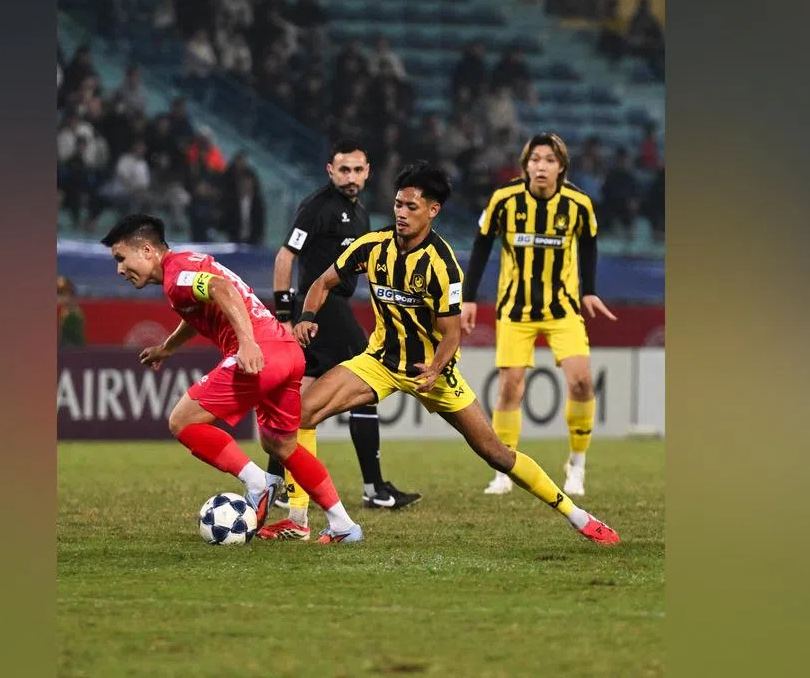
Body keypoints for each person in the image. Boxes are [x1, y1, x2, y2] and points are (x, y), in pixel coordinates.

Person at [288, 162, 619, 546]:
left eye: (412, 206)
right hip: (379, 361)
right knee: (301, 414)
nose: (400, 212)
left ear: (433, 210)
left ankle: (577, 516)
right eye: (398, 204)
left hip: (434, 374)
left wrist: (434, 369)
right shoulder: (372, 246)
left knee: (496, 453)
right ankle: (312, 519)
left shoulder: (443, 265)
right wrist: (307, 316)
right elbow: (323, 281)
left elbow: (450, 335)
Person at [100, 214, 363, 543]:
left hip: (260, 353)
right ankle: (343, 525)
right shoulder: (183, 267)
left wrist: (247, 343)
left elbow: (220, 288)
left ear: (148, 250)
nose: (120, 270)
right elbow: (201, 308)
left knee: (182, 421)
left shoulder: (176, 276)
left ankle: (258, 482)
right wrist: (167, 348)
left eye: (121, 259)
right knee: (281, 444)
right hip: (287, 352)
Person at [260, 142, 421, 542]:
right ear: (330, 170)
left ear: (368, 171)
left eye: (358, 170)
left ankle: (273, 484)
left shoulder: (362, 212)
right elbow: (285, 257)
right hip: (320, 310)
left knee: (298, 400)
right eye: (344, 170)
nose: (351, 177)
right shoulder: (317, 207)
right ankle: (374, 489)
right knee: (366, 384)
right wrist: (285, 315)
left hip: (332, 308)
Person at [460, 133, 618, 498]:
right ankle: (503, 469)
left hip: (562, 309)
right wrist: (468, 298)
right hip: (515, 310)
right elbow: (482, 242)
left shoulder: (578, 203)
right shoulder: (504, 199)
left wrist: (589, 290)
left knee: (581, 382)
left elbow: (590, 241)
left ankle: (576, 464)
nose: (540, 166)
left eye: (548, 160)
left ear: (561, 166)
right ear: (525, 164)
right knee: (511, 387)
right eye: (534, 159)